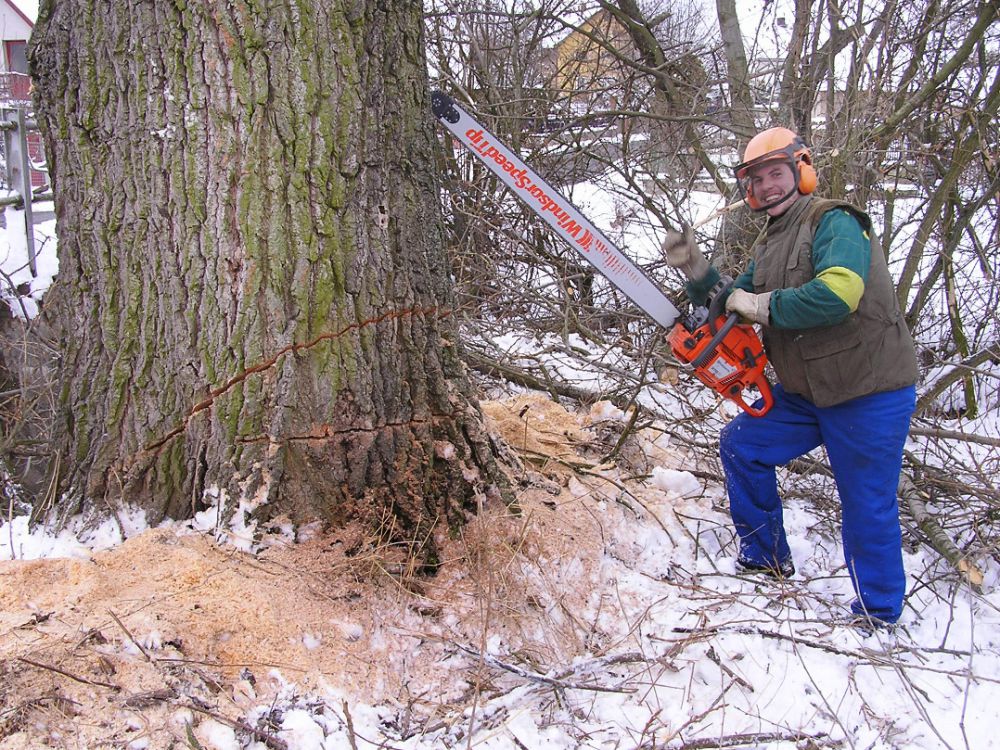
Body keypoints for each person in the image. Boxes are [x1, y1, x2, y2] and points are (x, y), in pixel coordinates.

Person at [663, 127, 919, 628]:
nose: (766, 186)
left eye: (775, 174)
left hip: (866, 390)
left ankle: (879, 610)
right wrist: (694, 267)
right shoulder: (773, 240)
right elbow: (727, 301)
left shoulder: (834, 221)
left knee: (866, 501)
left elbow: (838, 294)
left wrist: (761, 305)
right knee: (743, 443)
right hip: (809, 393)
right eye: (756, 180)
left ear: (801, 171)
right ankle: (766, 556)